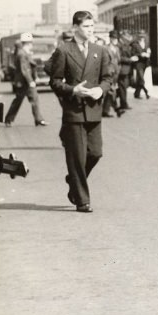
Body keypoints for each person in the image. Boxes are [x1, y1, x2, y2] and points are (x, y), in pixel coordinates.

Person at [47, 11, 110, 213]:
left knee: (95, 153)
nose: (90, 30)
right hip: (74, 111)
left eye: (92, 26)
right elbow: (54, 82)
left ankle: (73, 180)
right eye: (86, 27)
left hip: (93, 109)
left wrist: (100, 89)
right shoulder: (64, 51)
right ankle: (82, 200)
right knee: (77, 157)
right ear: (75, 28)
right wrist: (73, 90)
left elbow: (107, 78)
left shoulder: (99, 51)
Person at [4, 33, 47, 126]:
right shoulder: (22, 54)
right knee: (19, 101)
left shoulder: (25, 53)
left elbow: (30, 67)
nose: (32, 44)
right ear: (28, 43)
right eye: (31, 43)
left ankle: (38, 119)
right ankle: (8, 119)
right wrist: (30, 81)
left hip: (24, 82)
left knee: (33, 99)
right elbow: (25, 69)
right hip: (23, 82)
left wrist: (34, 78)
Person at [115, 30, 135, 114]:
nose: (128, 38)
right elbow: (119, 58)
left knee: (124, 87)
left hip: (127, 69)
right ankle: (123, 103)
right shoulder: (119, 46)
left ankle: (112, 100)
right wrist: (130, 59)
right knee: (123, 87)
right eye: (126, 36)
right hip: (122, 69)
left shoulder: (125, 45)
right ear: (122, 37)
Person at [132, 34, 152, 99]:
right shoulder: (135, 45)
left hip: (144, 63)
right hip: (138, 63)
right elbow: (133, 53)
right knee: (141, 79)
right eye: (141, 37)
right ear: (139, 38)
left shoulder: (146, 44)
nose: (142, 38)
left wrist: (148, 53)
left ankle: (136, 94)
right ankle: (146, 92)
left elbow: (148, 51)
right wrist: (140, 54)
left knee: (140, 79)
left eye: (143, 37)